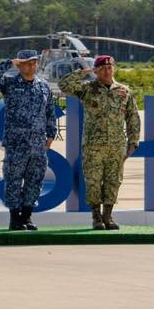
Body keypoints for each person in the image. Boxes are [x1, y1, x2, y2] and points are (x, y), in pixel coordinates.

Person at [59, 55, 139, 230]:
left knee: (113, 181)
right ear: (96, 71)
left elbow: (133, 117)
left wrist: (133, 142)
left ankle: (108, 216)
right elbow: (64, 85)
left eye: (110, 67)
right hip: (94, 145)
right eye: (102, 68)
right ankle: (96, 217)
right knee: (94, 181)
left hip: (117, 145)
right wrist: (84, 72)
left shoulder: (123, 91)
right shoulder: (88, 89)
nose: (107, 70)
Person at [0, 49, 58, 230]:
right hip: (17, 142)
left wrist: (51, 134)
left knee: (35, 180)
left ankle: (27, 216)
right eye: (26, 63)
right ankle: (14, 218)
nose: (30, 66)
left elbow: (49, 112)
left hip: (38, 143)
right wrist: (9, 63)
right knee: (13, 180)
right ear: (20, 65)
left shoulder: (43, 86)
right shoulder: (10, 83)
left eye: (33, 62)